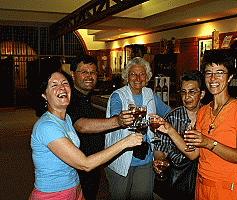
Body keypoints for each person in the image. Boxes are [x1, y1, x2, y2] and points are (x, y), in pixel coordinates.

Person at [30, 71, 143, 200]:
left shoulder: (65, 118)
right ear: (44, 95)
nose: (61, 88)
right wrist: (125, 142)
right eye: (54, 85)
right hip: (53, 194)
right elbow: (85, 164)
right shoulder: (47, 126)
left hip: (74, 188)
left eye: (65, 83)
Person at [184, 50, 237, 200]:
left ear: (230, 78)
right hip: (201, 184)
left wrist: (208, 142)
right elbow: (193, 154)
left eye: (220, 72)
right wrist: (169, 130)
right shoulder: (202, 111)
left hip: (227, 189)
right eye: (208, 73)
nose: (213, 78)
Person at [67, 55, 134, 200]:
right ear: (73, 74)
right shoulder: (69, 98)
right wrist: (118, 121)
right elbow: (81, 125)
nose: (89, 76)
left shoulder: (86, 97)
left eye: (93, 72)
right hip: (78, 168)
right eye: (84, 72)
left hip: (92, 166)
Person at [105, 57, 171, 200]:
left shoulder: (150, 94)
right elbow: (116, 116)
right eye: (133, 74)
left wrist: (189, 113)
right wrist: (121, 119)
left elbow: (168, 112)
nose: (137, 78)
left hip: (145, 158)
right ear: (126, 76)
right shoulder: (118, 95)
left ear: (147, 77)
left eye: (142, 74)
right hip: (121, 159)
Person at [153, 70, 205, 200]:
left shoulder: (209, 116)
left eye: (192, 92)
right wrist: (159, 160)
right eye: (183, 92)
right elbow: (161, 148)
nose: (187, 97)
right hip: (176, 178)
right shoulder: (172, 117)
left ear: (202, 94)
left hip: (202, 179)